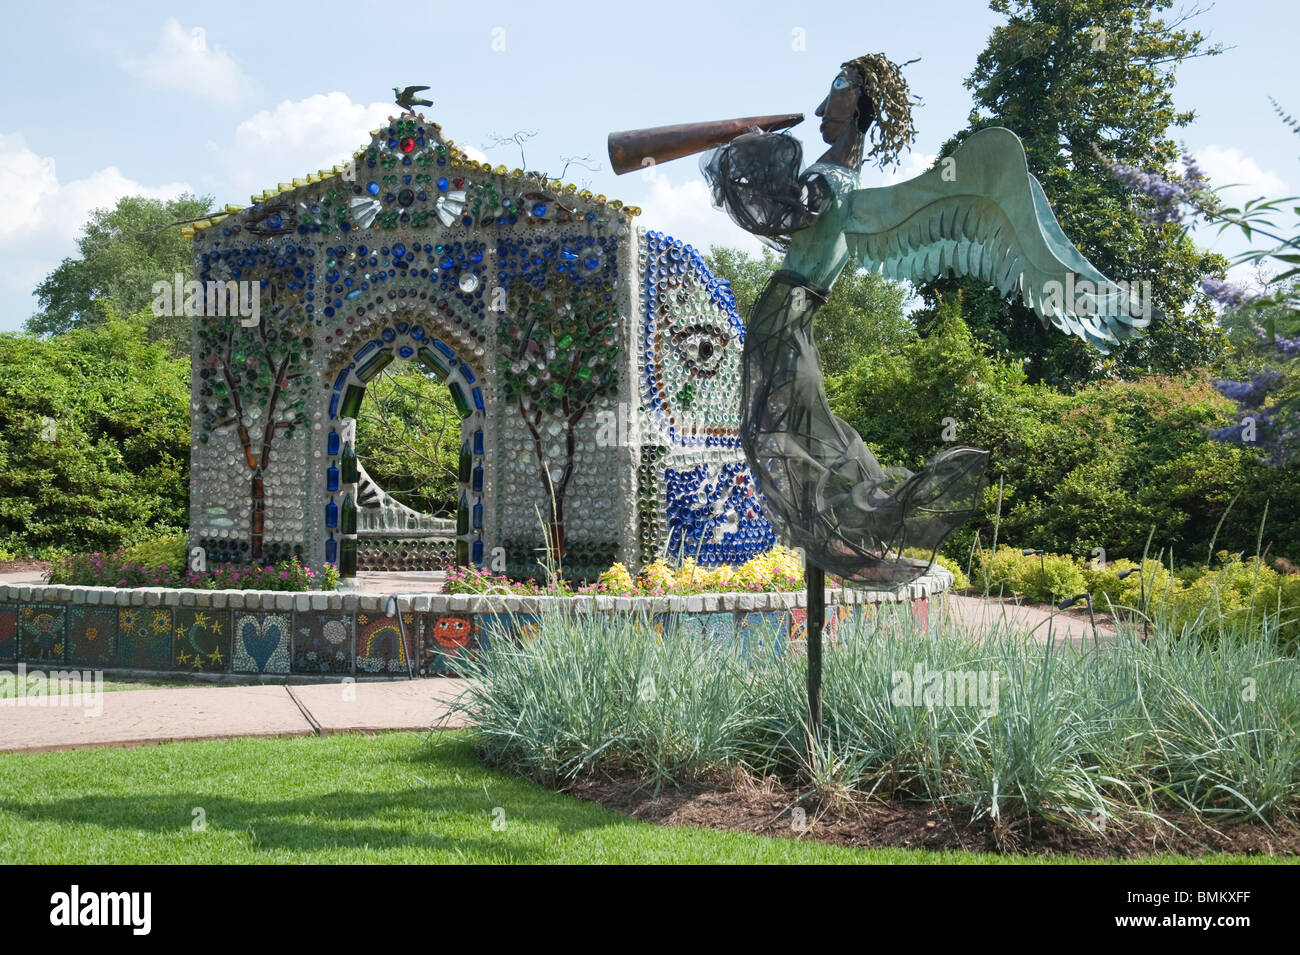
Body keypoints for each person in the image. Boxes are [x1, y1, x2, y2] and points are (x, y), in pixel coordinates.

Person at [701, 54, 989, 588]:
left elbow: (784, 213)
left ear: (857, 99)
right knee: (787, 430)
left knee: (786, 432)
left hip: (788, 313)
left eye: (837, 87)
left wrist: (755, 151)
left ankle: (854, 522)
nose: (821, 105)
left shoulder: (833, 180)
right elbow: (792, 226)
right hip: (790, 316)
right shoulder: (844, 180)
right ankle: (845, 525)